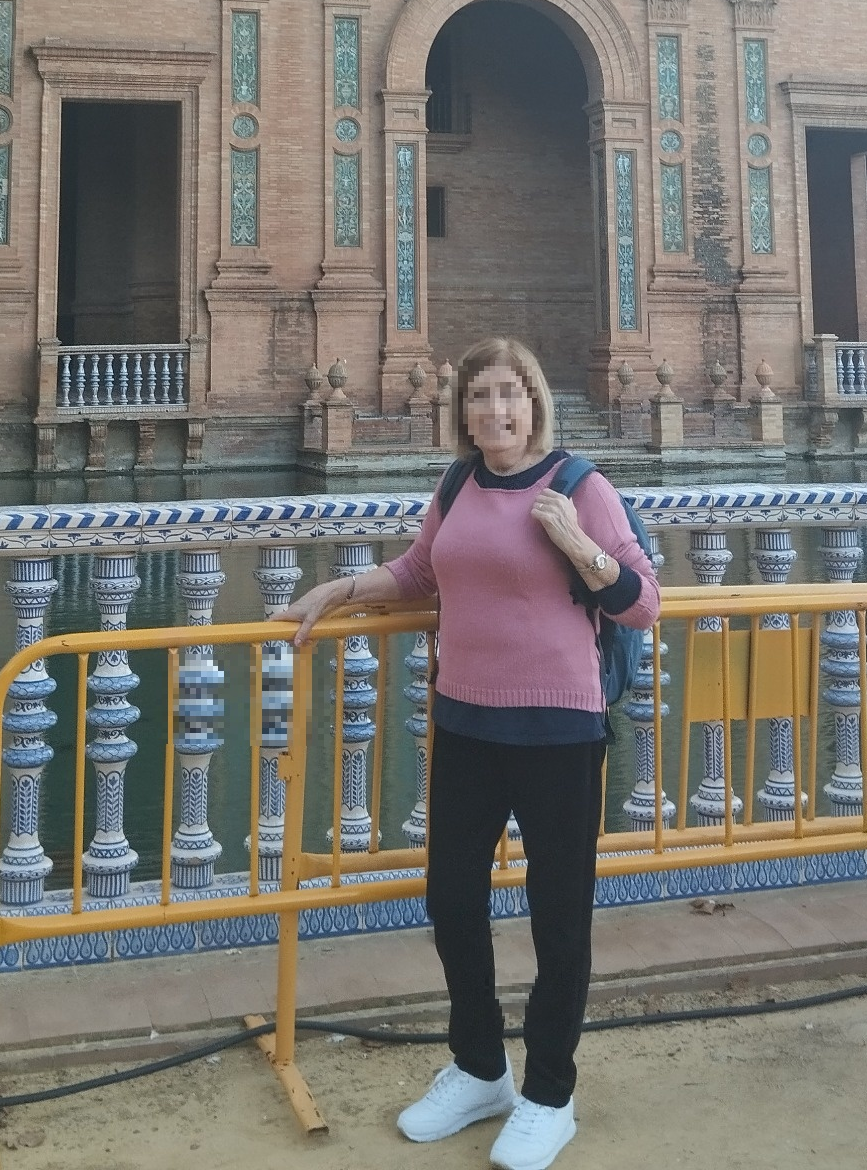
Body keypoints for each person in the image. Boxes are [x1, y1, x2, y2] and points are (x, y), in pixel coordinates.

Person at [278, 337, 658, 1170]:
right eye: (480, 396)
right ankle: (482, 1067)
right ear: (463, 411)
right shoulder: (459, 484)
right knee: (452, 900)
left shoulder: (579, 486)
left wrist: (578, 546)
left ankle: (550, 1093)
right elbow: (420, 572)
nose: (496, 410)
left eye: (510, 393)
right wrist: (339, 590)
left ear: (534, 403)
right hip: (465, 724)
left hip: (559, 731)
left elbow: (642, 603)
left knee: (559, 918)